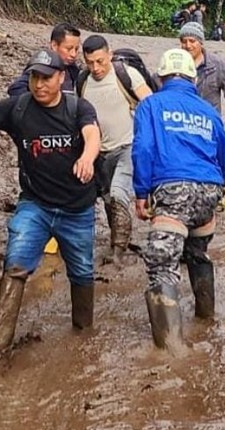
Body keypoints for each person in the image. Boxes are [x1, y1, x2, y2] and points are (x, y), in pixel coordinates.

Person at [0, 49, 101, 362]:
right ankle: (0, 338)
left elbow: (92, 134)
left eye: (46, 77)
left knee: (81, 271)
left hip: (76, 208)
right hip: (35, 205)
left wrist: (86, 157)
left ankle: (83, 334)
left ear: (61, 78)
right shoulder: (18, 108)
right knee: (15, 262)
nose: (39, 84)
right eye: (34, 77)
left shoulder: (77, 106)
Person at [132, 49, 225, 351]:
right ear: (193, 78)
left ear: (161, 77)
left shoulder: (151, 105)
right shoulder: (207, 111)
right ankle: (206, 319)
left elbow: (143, 149)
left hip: (173, 189)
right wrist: (216, 179)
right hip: (209, 192)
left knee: (162, 264)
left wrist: (141, 192)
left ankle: (172, 351)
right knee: (198, 253)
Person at [79, 35, 152, 264]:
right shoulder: (82, 81)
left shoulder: (126, 74)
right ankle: (118, 238)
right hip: (99, 152)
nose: (96, 68)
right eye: (90, 62)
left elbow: (151, 105)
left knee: (119, 193)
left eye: (100, 61)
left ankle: (118, 253)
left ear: (109, 54)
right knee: (108, 198)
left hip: (128, 146)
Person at [7, 22, 82, 97]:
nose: (73, 54)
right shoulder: (41, 66)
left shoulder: (73, 69)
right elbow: (16, 89)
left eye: (76, 49)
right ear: (54, 45)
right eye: (68, 49)